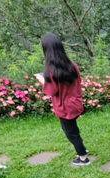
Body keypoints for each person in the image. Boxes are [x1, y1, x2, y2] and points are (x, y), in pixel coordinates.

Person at [37, 33, 90, 166]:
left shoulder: (51, 71)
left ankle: (83, 157)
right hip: (75, 103)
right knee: (73, 129)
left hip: (64, 107)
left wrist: (42, 79)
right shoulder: (71, 65)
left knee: (70, 133)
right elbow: (78, 81)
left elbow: (51, 91)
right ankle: (81, 147)